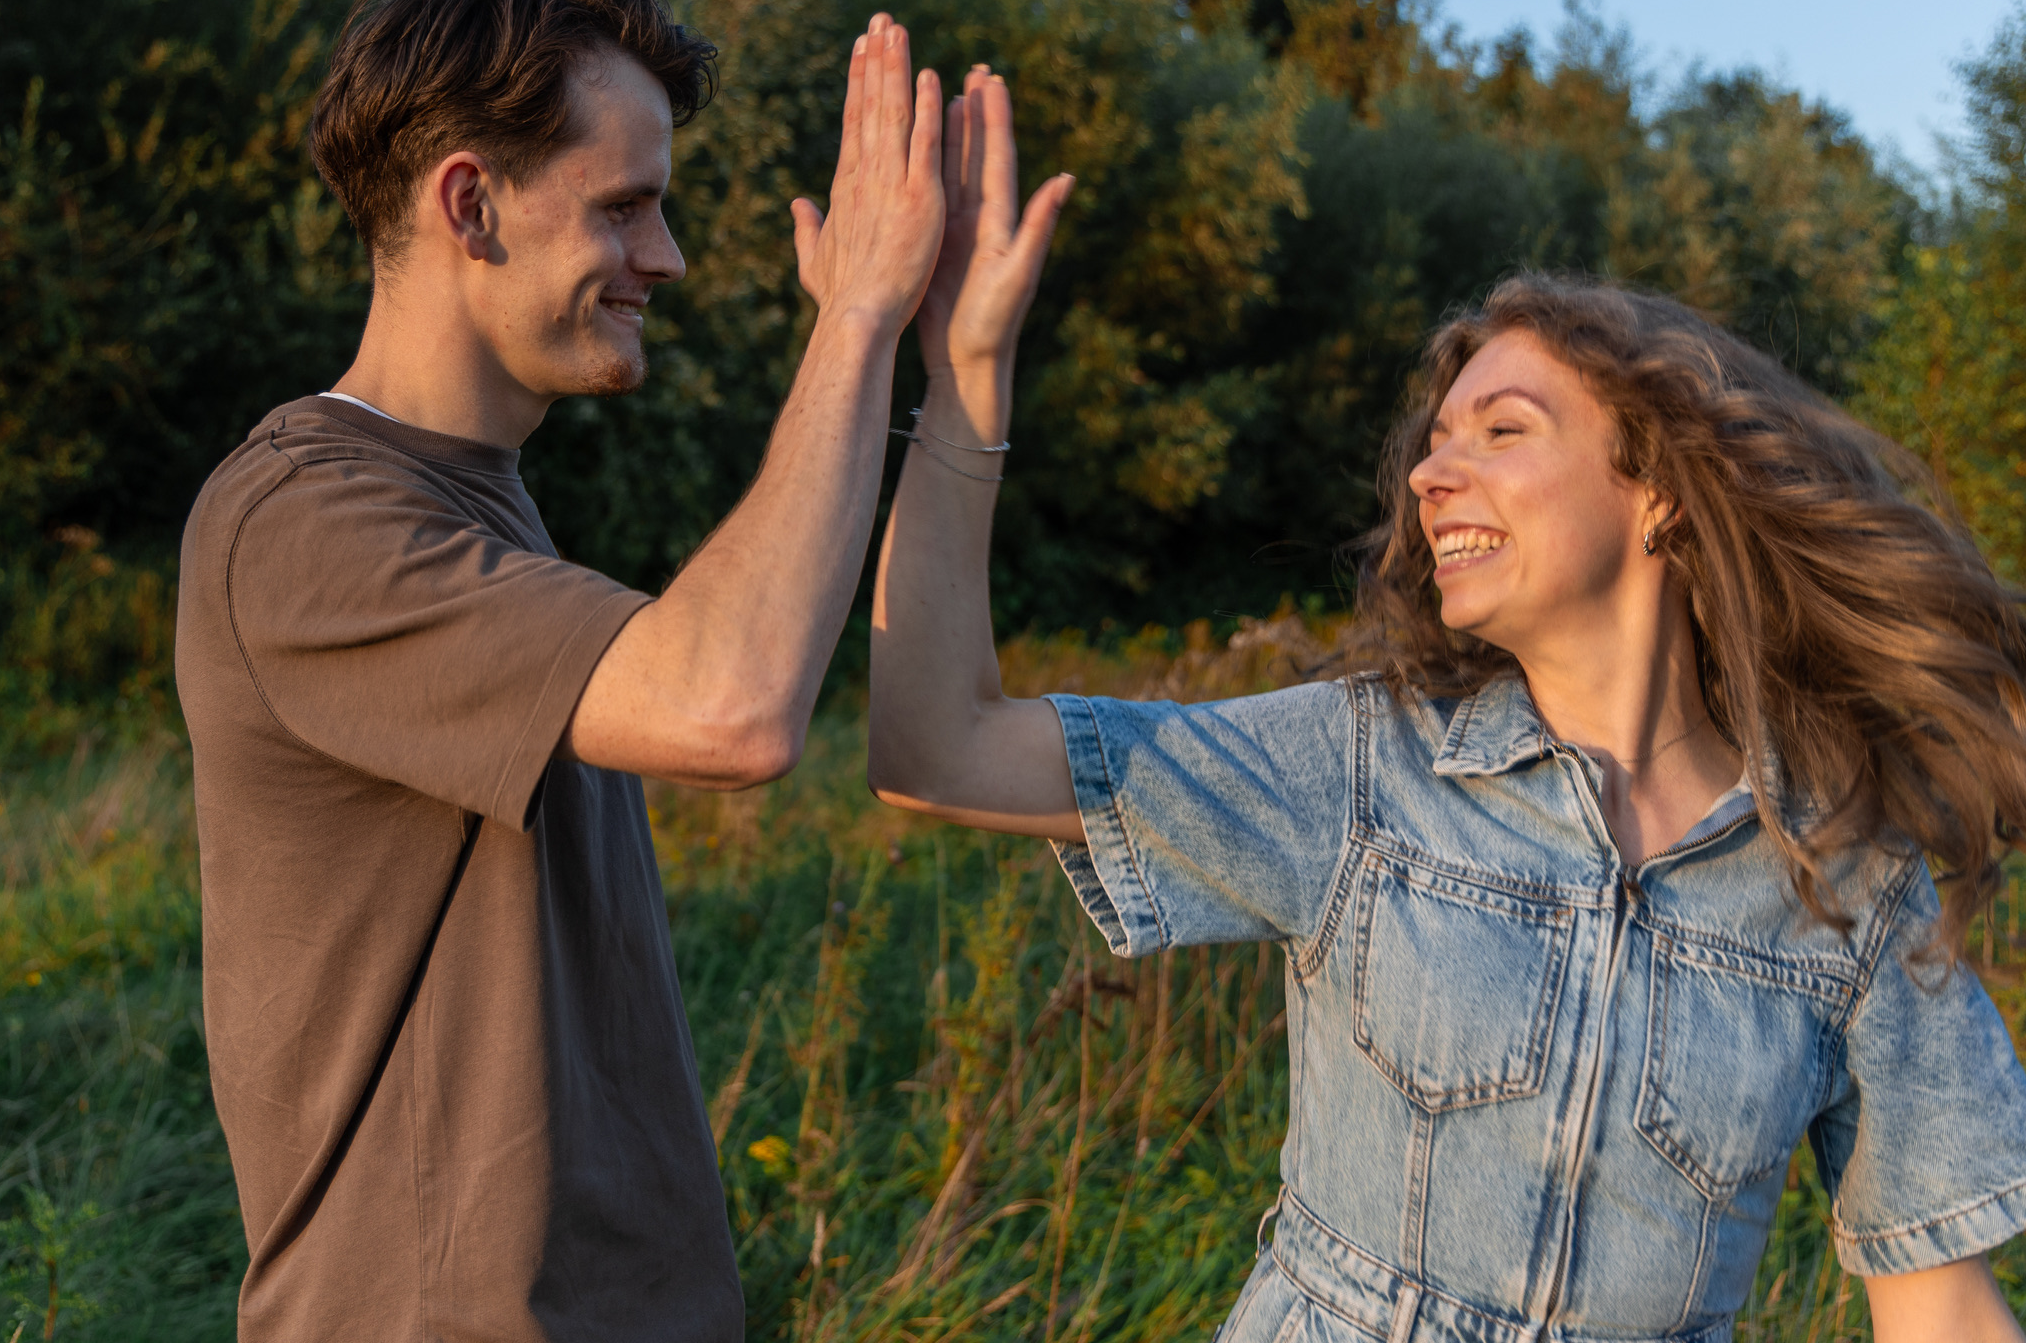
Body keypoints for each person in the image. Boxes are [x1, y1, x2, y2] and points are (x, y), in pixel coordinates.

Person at [867, 70, 2026, 1341]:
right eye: (1437, 438)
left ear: (1661, 495)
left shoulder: (1845, 869)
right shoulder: (1360, 764)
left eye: (1503, 431)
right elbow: (937, 748)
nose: (1431, 470)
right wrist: (964, 372)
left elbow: (1944, 1314)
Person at [176, 0, 949, 1340]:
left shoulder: (480, 504)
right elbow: (734, 706)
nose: (668, 256)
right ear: (470, 205)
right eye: (625, 208)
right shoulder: (300, 523)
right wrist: (858, 317)